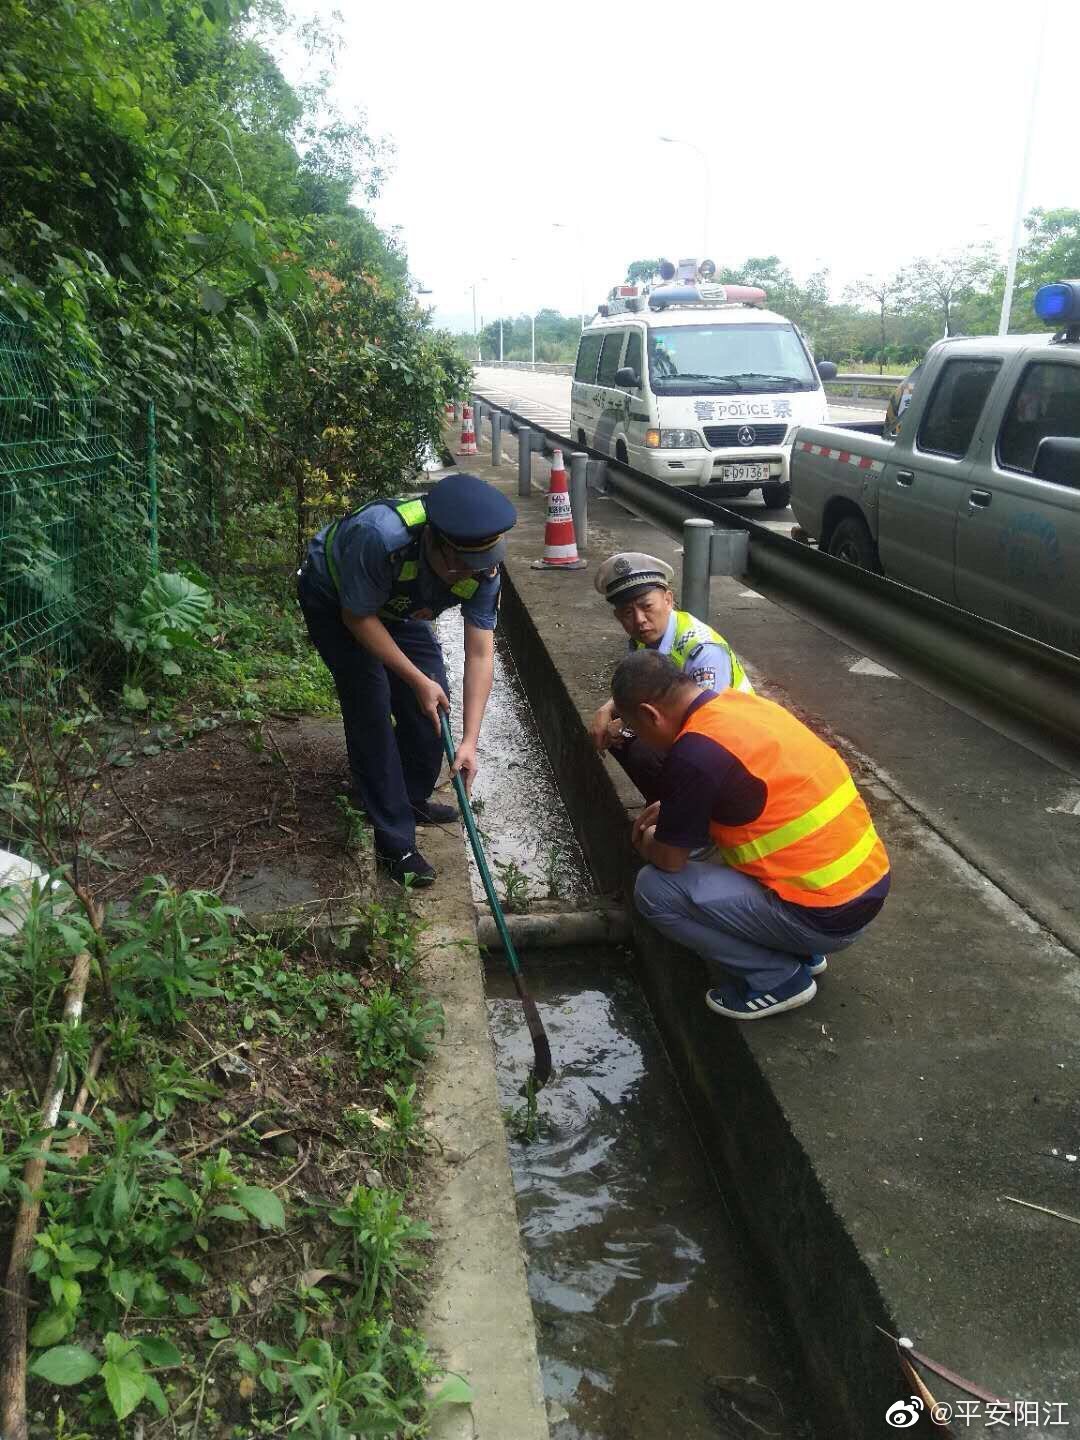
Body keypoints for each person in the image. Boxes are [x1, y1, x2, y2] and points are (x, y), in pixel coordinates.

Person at [612, 650, 890, 1020]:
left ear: (650, 714)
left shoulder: (693, 752)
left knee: (654, 888)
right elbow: (751, 791)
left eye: (638, 730)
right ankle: (799, 951)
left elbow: (669, 858)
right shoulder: (741, 705)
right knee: (715, 847)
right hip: (862, 894)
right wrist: (677, 805)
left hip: (823, 920)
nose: (642, 740)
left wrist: (646, 840)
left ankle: (776, 976)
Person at [297, 472, 516, 887]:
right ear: (439, 547)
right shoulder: (379, 537)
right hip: (341, 603)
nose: (473, 573)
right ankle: (394, 840)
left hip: (400, 610)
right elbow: (358, 618)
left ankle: (410, 798)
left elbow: (480, 651)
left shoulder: (484, 568)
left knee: (434, 710)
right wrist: (416, 678)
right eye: (463, 566)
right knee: (371, 708)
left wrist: (469, 740)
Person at [589, 552, 752, 802]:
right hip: (694, 728)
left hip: (732, 745)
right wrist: (608, 709)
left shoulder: (703, 650)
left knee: (641, 748)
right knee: (617, 739)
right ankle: (665, 805)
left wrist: (627, 724)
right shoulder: (647, 638)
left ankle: (685, 818)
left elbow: (706, 728)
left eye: (646, 607)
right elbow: (641, 686)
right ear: (617, 616)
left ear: (668, 600)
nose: (639, 620)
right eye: (627, 612)